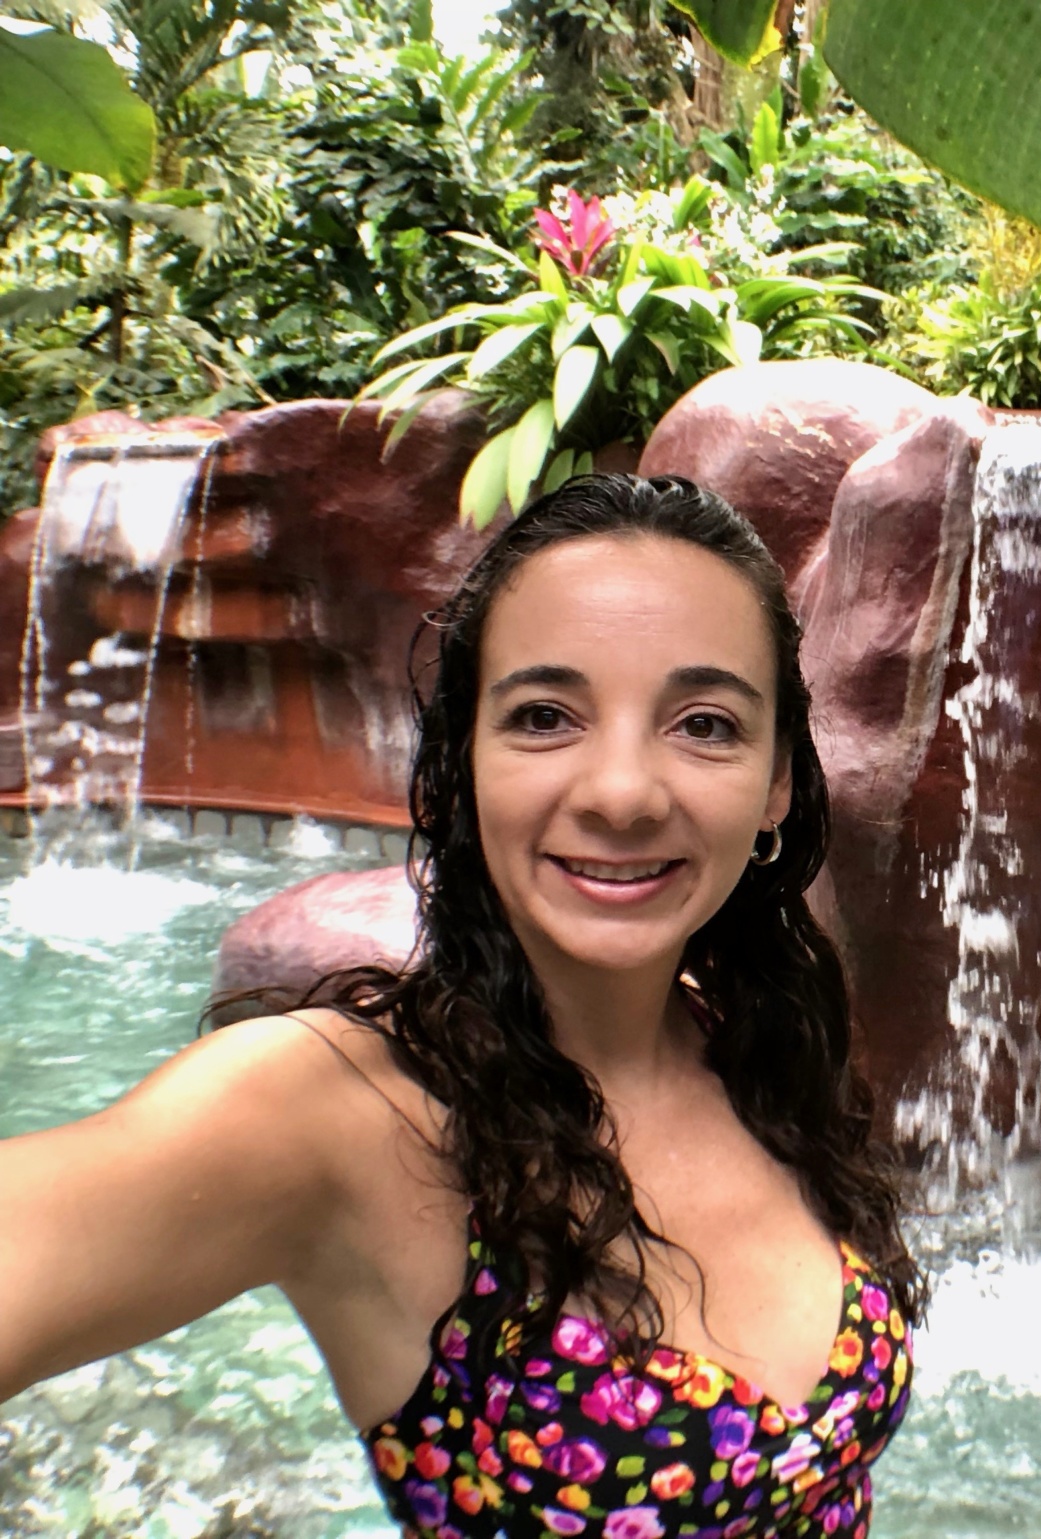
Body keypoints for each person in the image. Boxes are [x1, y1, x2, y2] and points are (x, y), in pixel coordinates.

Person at [0, 474, 924, 1538]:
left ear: (772, 788)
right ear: (457, 769)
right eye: (543, 716)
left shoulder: (756, 1043)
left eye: (704, 723)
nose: (621, 793)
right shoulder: (345, 1112)